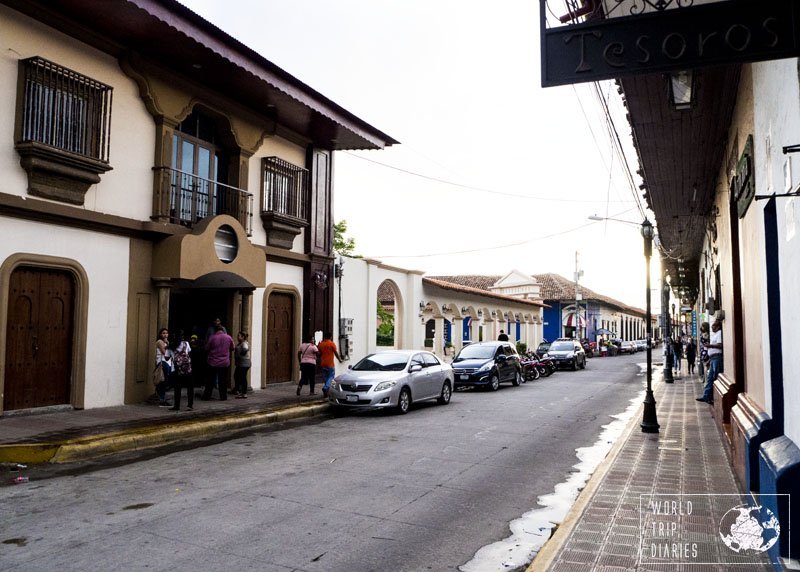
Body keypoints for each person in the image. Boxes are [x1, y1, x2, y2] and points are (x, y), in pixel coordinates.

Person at [202, 324, 235, 401]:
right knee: (223, 381)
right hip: (224, 363)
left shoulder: (212, 338)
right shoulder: (229, 337)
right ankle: (223, 397)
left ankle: (207, 396)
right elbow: (233, 348)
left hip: (213, 362)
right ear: (223, 330)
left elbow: (206, 348)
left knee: (210, 380)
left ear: (216, 331)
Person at [698, 319, 722, 404]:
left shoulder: (719, 334)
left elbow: (720, 345)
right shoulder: (715, 335)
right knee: (710, 378)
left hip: (716, 358)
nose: (712, 327)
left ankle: (712, 396)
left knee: (714, 377)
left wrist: (710, 345)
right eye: (712, 325)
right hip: (712, 358)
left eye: (714, 325)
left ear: (718, 327)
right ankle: (706, 396)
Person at [170, 330, 193, 411]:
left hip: (177, 368)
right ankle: (190, 405)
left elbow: (167, 357)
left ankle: (177, 406)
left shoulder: (172, 345)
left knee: (177, 387)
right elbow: (189, 352)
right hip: (187, 368)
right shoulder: (186, 343)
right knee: (190, 387)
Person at [318, 331, 343, 397]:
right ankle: (325, 388)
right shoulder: (331, 344)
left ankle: (327, 392)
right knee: (331, 378)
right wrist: (339, 359)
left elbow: (319, 354)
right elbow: (335, 353)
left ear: (325, 337)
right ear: (331, 337)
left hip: (323, 363)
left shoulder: (321, 344)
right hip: (330, 364)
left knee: (326, 378)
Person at [154, 328, 173, 407]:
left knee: (165, 382)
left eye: (166, 333)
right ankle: (161, 399)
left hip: (168, 363)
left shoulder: (167, 342)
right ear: (160, 334)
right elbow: (164, 352)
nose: (165, 335)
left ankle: (162, 398)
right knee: (162, 381)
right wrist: (167, 344)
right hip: (162, 363)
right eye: (163, 333)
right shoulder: (160, 342)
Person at [233, 331, 251, 398]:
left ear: (243, 337)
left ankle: (244, 393)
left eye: (239, 336)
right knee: (236, 376)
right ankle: (237, 390)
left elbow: (245, 349)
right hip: (241, 363)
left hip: (244, 363)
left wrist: (241, 354)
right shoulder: (241, 343)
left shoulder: (244, 343)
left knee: (242, 378)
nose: (237, 337)